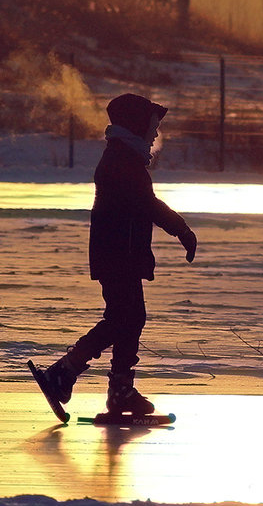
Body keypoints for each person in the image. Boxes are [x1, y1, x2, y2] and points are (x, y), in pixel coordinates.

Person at [44, 93, 197, 415]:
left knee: (129, 319)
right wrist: (181, 229)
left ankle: (120, 390)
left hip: (120, 252)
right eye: (152, 126)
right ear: (137, 125)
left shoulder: (124, 155)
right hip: (118, 254)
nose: (155, 133)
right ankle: (65, 371)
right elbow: (147, 204)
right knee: (123, 319)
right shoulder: (122, 160)